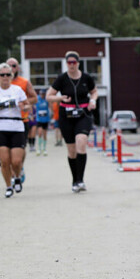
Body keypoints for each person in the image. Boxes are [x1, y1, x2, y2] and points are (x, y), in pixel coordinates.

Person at [46, 50, 98, 193]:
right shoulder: (61, 78)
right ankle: (74, 180)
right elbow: (49, 96)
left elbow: (94, 91)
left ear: (78, 63)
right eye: (69, 62)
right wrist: (60, 98)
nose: (71, 65)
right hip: (66, 115)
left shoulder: (86, 78)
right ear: (66, 64)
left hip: (83, 113)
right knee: (72, 149)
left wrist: (93, 101)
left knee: (81, 141)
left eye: (74, 62)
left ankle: (81, 180)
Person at [0, 63, 30, 197]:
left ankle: (17, 177)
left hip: (17, 127)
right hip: (0, 127)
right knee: (4, 161)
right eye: (2, 75)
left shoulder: (17, 90)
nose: (5, 77)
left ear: (11, 76)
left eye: (8, 74)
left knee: (16, 161)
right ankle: (8, 186)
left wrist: (24, 107)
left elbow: (28, 106)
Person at [6, 57, 37, 178]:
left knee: (21, 148)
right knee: (8, 149)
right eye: (9, 66)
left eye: (14, 66)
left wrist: (23, 102)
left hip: (21, 119)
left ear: (18, 68)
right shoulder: (2, 82)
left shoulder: (24, 82)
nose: (11, 68)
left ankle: (20, 167)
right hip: (5, 120)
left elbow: (34, 98)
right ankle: (13, 171)